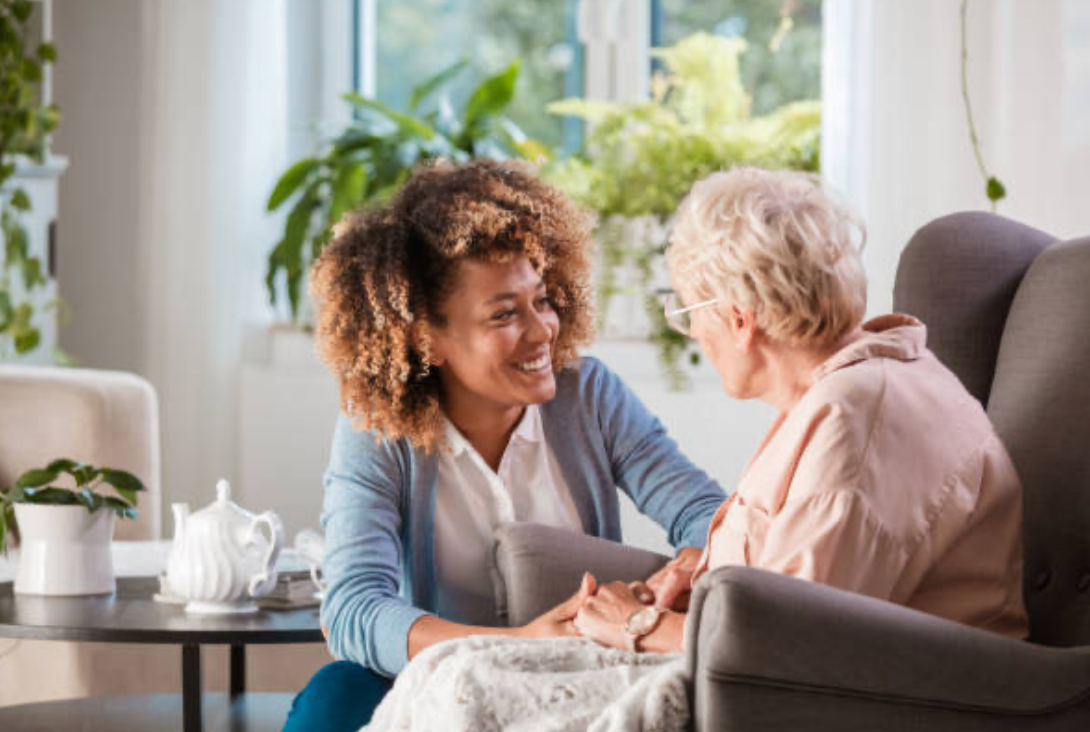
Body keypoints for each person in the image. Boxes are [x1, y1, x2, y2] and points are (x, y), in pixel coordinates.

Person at [281, 159, 727, 732]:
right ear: (425, 336)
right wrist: (514, 643)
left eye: (542, 300)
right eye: (504, 314)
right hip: (433, 675)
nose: (543, 330)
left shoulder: (589, 396)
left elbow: (705, 516)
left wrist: (685, 570)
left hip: (578, 670)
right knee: (332, 701)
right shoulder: (377, 428)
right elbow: (353, 609)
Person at [571, 166, 1028, 654]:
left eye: (687, 313)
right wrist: (702, 575)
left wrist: (639, 625)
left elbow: (788, 646)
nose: (696, 335)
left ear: (739, 320)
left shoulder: (853, 420)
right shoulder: (867, 381)